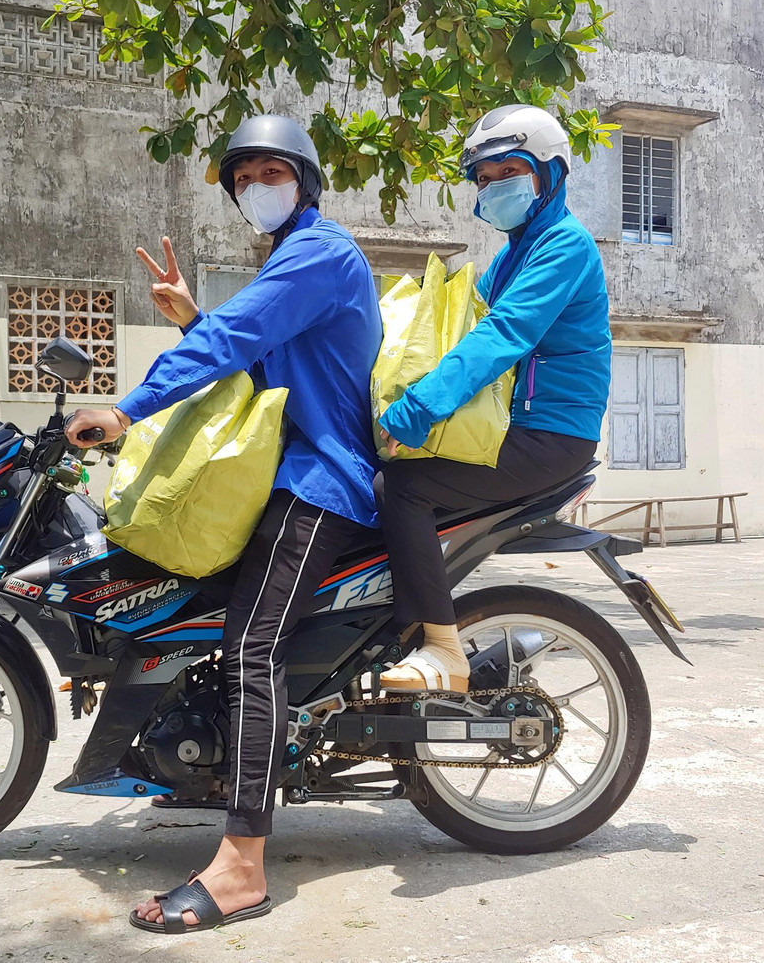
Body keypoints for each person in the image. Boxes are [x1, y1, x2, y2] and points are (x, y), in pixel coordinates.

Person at [65, 114, 382, 934]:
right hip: (285, 474)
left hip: (321, 480)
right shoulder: (295, 258)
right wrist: (188, 319)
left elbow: (238, 339)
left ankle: (242, 864)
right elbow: (257, 356)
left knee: (250, 648)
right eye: (241, 180)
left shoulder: (321, 251)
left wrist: (128, 408)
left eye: (267, 172)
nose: (253, 189)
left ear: (304, 181)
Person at [374, 103, 612, 692]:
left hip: (549, 436)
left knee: (404, 490)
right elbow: (450, 333)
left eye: (507, 172)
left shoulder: (564, 245)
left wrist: (413, 411)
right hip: (514, 428)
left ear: (550, 172)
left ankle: (440, 649)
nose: (492, 187)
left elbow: (500, 335)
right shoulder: (511, 255)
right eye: (482, 179)